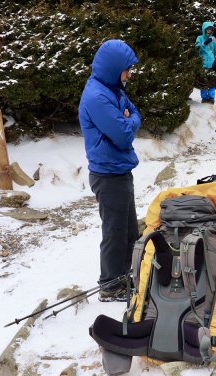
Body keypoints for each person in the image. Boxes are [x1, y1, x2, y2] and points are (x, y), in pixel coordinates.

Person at [78, 40, 141, 302]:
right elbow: (124, 135)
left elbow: (135, 114)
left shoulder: (112, 89)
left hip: (120, 170)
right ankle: (110, 286)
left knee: (128, 231)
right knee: (114, 233)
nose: (129, 74)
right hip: (108, 174)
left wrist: (129, 117)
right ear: (114, 68)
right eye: (127, 69)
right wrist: (128, 120)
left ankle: (127, 276)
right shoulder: (97, 97)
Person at [195, 21, 216, 104]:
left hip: (212, 64)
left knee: (212, 80)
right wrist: (205, 43)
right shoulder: (199, 38)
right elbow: (197, 49)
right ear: (204, 29)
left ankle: (211, 97)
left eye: (210, 29)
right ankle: (204, 97)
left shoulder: (213, 39)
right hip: (202, 63)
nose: (209, 31)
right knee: (203, 81)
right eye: (207, 29)